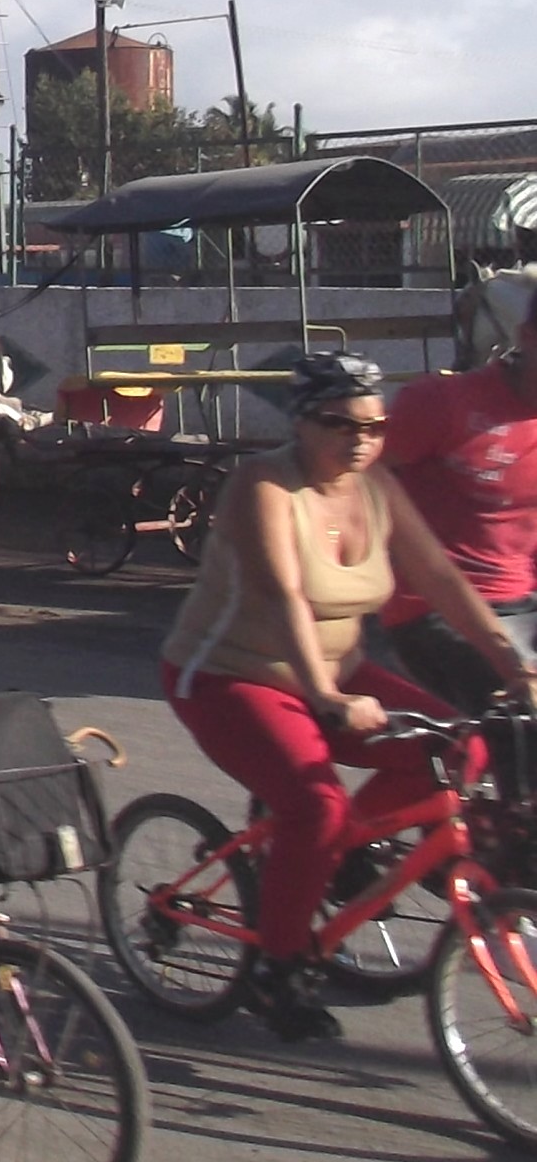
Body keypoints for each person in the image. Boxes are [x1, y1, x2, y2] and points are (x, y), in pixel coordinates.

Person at [160, 351, 534, 1042]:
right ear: (301, 423)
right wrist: (323, 694)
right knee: (316, 805)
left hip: (337, 670)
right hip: (229, 674)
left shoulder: (376, 487)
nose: (359, 440)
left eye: (374, 425)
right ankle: (277, 966)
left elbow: (444, 581)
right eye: (339, 424)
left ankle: (325, 860)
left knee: (462, 742)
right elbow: (286, 597)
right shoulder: (263, 483)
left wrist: (511, 663)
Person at [381, 287, 537, 714]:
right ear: (526, 336)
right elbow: (354, 481)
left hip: (522, 601)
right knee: (523, 720)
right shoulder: (442, 404)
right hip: (433, 608)